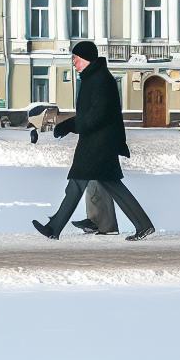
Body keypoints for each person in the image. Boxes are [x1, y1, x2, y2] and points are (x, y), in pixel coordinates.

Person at [32, 40, 155, 242]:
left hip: (99, 143)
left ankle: (54, 227)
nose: (74, 62)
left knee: (78, 183)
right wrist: (72, 124)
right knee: (106, 185)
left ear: (86, 58)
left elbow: (96, 115)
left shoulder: (100, 80)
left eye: (76, 58)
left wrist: (69, 125)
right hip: (98, 141)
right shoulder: (94, 77)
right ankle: (143, 225)